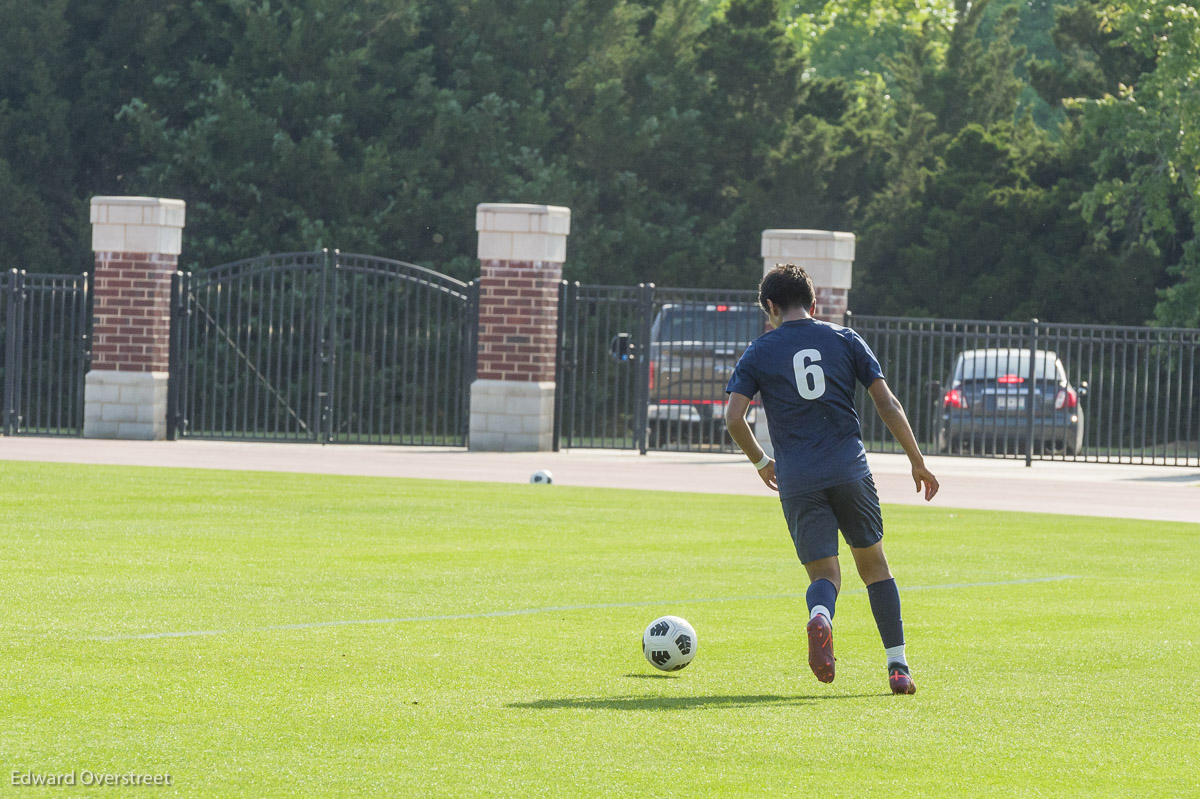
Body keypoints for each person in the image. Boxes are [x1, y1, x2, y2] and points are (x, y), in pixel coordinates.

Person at [724, 263, 939, 695]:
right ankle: (898, 666)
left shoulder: (760, 351)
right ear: (814, 302)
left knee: (826, 576)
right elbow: (888, 403)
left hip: (798, 478)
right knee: (875, 567)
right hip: (850, 470)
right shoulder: (845, 339)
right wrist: (917, 459)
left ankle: (821, 615)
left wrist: (762, 462)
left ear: (771, 306)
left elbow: (733, 417)